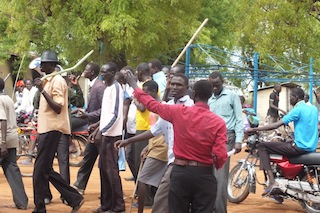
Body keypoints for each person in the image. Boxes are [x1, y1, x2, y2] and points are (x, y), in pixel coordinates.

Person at [125, 71, 228, 213]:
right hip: (204, 173)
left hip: (180, 172)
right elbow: (221, 155)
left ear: (193, 93)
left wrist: (134, 85)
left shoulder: (178, 111)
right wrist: (211, 166)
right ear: (210, 96)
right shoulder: (218, 122)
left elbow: (152, 104)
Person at [116, 73, 194, 213]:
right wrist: (128, 140)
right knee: (170, 201)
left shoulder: (188, 106)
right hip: (172, 159)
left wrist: (134, 86)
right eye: (173, 84)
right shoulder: (170, 104)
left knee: (161, 202)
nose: (174, 87)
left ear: (187, 88)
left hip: (182, 162)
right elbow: (156, 130)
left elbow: (151, 106)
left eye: (179, 85)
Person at [33, 50, 84, 213]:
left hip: (52, 129)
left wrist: (42, 90)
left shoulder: (58, 81)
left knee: (39, 170)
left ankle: (40, 207)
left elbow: (57, 107)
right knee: (45, 169)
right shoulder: (48, 80)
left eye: (44, 63)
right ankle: (74, 198)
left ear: (52, 65)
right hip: (45, 129)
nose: (41, 66)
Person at [246, 87, 318, 195]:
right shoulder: (313, 109)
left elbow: (276, 125)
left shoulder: (298, 109)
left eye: (290, 97)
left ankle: (272, 182)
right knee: (285, 143)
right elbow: (307, 127)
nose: (290, 99)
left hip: (299, 147)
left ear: (296, 97)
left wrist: (253, 129)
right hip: (311, 146)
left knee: (262, 146)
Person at [115, 80, 168, 213]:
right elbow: (154, 130)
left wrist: (129, 141)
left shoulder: (161, 108)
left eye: (145, 92)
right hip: (154, 147)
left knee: (143, 178)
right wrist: (147, 147)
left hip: (160, 150)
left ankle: (144, 207)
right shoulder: (155, 108)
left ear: (154, 92)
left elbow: (160, 132)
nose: (142, 95)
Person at [90, 62, 125, 213]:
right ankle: (106, 205)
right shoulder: (107, 89)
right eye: (102, 72)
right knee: (103, 171)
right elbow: (105, 114)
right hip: (105, 134)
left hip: (112, 136)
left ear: (112, 73)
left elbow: (116, 115)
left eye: (105, 72)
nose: (102, 74)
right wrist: (97, 127)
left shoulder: (116, 88)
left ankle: (118, 207)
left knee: (112, 172)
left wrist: (101, 131)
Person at [207, 71, 243, 213]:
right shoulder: (208, 98)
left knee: (220, 176)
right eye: (212, 85)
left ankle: (220, 210)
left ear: (223, 82)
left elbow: (239, 118)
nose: (215, 87)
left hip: (226, 137)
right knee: (208, 174)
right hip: (209, 139)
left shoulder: (232, 96)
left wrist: (239, 140)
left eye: (217, 84)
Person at [73, 62, 106, 195]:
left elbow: (105, 110)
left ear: (92, 72)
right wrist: (83, 111)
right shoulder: (94, 86)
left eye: (86, 69)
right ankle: (79, 186)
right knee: (87, 159)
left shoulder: (99, 87)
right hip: (93, 131)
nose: (84, 71)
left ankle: (108, 193)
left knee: (104, 164)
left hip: (100, 131)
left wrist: (88, 115)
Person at [0, 77, 28, 210]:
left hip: (2, 140)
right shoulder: (8, 99)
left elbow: (2, 120)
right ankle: (22, 201)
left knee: (12, 169)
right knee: (12, 170)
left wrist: (3, 143)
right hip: (12, 138)